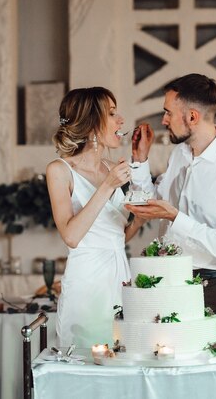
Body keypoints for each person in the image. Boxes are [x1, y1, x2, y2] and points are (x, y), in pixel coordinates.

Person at [126, 73, 216, 346]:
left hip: (210, 290)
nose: (163, 121)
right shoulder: (179, 154)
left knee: (211, 386)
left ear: (192, 117)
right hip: (167, 284)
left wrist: (176, 217)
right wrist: (140, 161)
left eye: (168, 113)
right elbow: (156, 203)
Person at [46, 87, 143, 348]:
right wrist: (108, 186)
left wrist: (142, 218)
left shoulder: (113, 169)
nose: (121, 119)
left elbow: (118, 236)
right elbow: (71, 236)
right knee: (84, 360)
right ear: (91, 124)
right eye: (111, 113)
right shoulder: (60, 171)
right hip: (87, 281)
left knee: (123, 355)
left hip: (121, 277)